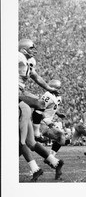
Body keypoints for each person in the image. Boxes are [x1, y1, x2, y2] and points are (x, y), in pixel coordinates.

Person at [18, 38, 64, 180]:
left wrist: (49, 88)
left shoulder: (27, 61)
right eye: (31, 48)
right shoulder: (18, 57)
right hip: (19, 97)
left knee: (23, 141)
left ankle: (36, 168)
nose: (34, 50)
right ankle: (54, 162)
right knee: (29, 142)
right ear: (24, 49)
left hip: (18, 98)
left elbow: (36, 77)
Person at [32, 79, 69, 157]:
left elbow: (53, 107)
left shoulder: (58, 97)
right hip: (41, 123)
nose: (60, 90)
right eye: (58, 88)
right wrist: (49, 123)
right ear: (53, 88)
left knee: (61, 137)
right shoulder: (47, 96)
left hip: (46, 124)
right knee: (28, 144)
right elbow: (39, 111)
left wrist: (58, 113)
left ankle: (51, 157)